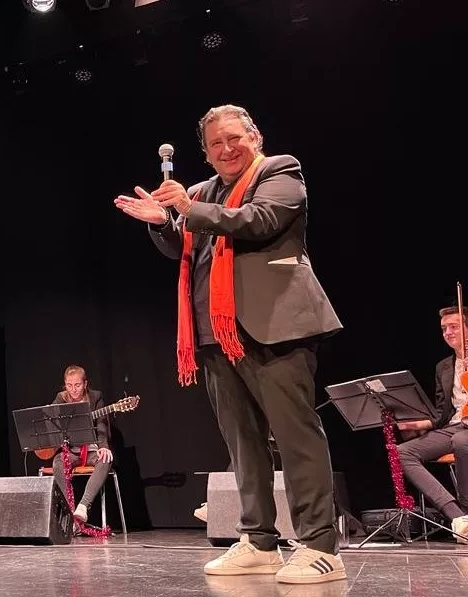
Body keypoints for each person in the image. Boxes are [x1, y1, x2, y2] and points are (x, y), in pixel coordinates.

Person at [114, 104, 345, 584]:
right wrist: (162, 222)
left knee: (296, 436)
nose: (226, 149)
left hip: (276, 325)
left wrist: (186, 209)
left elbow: (257, 221)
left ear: (254, 135)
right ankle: (259, 541)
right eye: (216, 144)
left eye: (234, 138)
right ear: (206, 152)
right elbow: (182, 245)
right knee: (243, 444)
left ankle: (320, 545)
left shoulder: (280, 171)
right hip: (216, 334)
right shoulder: (200, 192)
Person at [396, 306, 468, 542]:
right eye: (444, 328)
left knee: (461, 442)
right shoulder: (444, 367)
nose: (448, 332)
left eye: (454, 326)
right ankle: (458, 517)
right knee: (402, 452)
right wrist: (414, 424)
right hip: (456, 425)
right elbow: (442, 414)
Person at [49, 365, 112, 524]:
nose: (73, 389)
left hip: (91, 451)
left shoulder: (96, 397)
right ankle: (69, 512)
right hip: (71, 450)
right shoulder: (61, 398)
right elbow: (50, 421)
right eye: (69, 385)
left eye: (77, 385)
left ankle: (83, 506)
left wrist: (104, 446)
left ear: (85, 384)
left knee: (106, 459)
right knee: (58, 462)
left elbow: (102, 423)